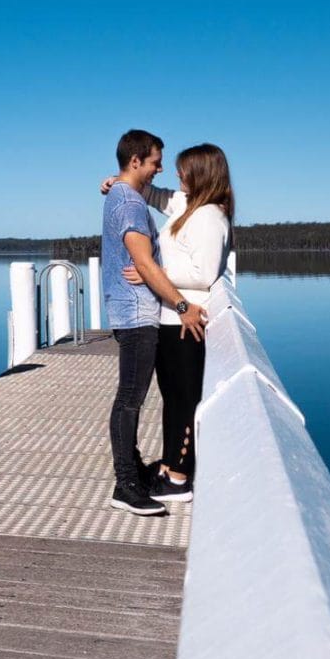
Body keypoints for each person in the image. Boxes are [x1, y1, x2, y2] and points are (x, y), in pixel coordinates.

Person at [103, 143, 234, 504]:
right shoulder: (188, 207)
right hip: (170, 318)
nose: (176, 174)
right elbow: (156, 196)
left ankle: (178, 477)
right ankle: (169, 465)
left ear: (202, 173)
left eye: (183, 169)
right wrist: (120, 182)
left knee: (184, 399)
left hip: (187, 320)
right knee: (172, 398)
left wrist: (151, 272)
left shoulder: (209, 217)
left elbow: (204, 273)